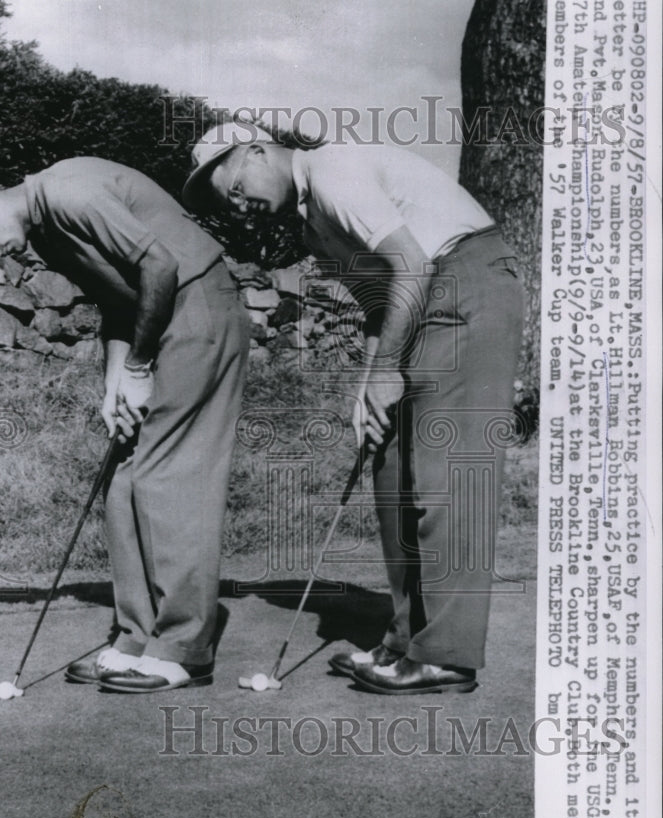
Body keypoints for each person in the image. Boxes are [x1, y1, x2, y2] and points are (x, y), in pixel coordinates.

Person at [184, 121, 525, 695]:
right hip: (421, 301)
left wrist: (388, 369)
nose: (241, 205)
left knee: (447, 475)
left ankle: (444, 654)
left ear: (260, 150)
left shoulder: (333, 169)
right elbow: (380, 297)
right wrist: (369, 383)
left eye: (237, 185)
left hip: (468, 283)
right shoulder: (313, 221)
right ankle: (405, 640)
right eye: (230, 204)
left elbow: (412, 266)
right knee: (390, 468)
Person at [0, 156, 249, 693]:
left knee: (168, 476)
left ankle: (185, 649)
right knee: (122, 481)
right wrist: (116, 383)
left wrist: (140, 367)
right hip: (161, 320)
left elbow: (161, 268)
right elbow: (118, 301)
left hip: (199, 310)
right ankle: (137, 637)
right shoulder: (46, 233)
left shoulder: (69, 192)